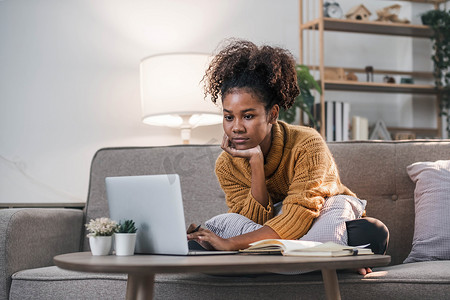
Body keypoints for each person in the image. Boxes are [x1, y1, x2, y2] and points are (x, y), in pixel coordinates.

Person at [187, 39, 388, 275]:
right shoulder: (226, 165)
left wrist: (230, 245)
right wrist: (256, 165)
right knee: (196, 243)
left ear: (272, 114)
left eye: (248, 116)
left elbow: (299, 216)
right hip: (267, 232)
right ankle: (324, 262)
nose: (236, 127)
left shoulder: (306, 144)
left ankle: (264, 264)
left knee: (372, 232)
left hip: (317, 217)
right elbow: (250, 222)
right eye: (229, 117)